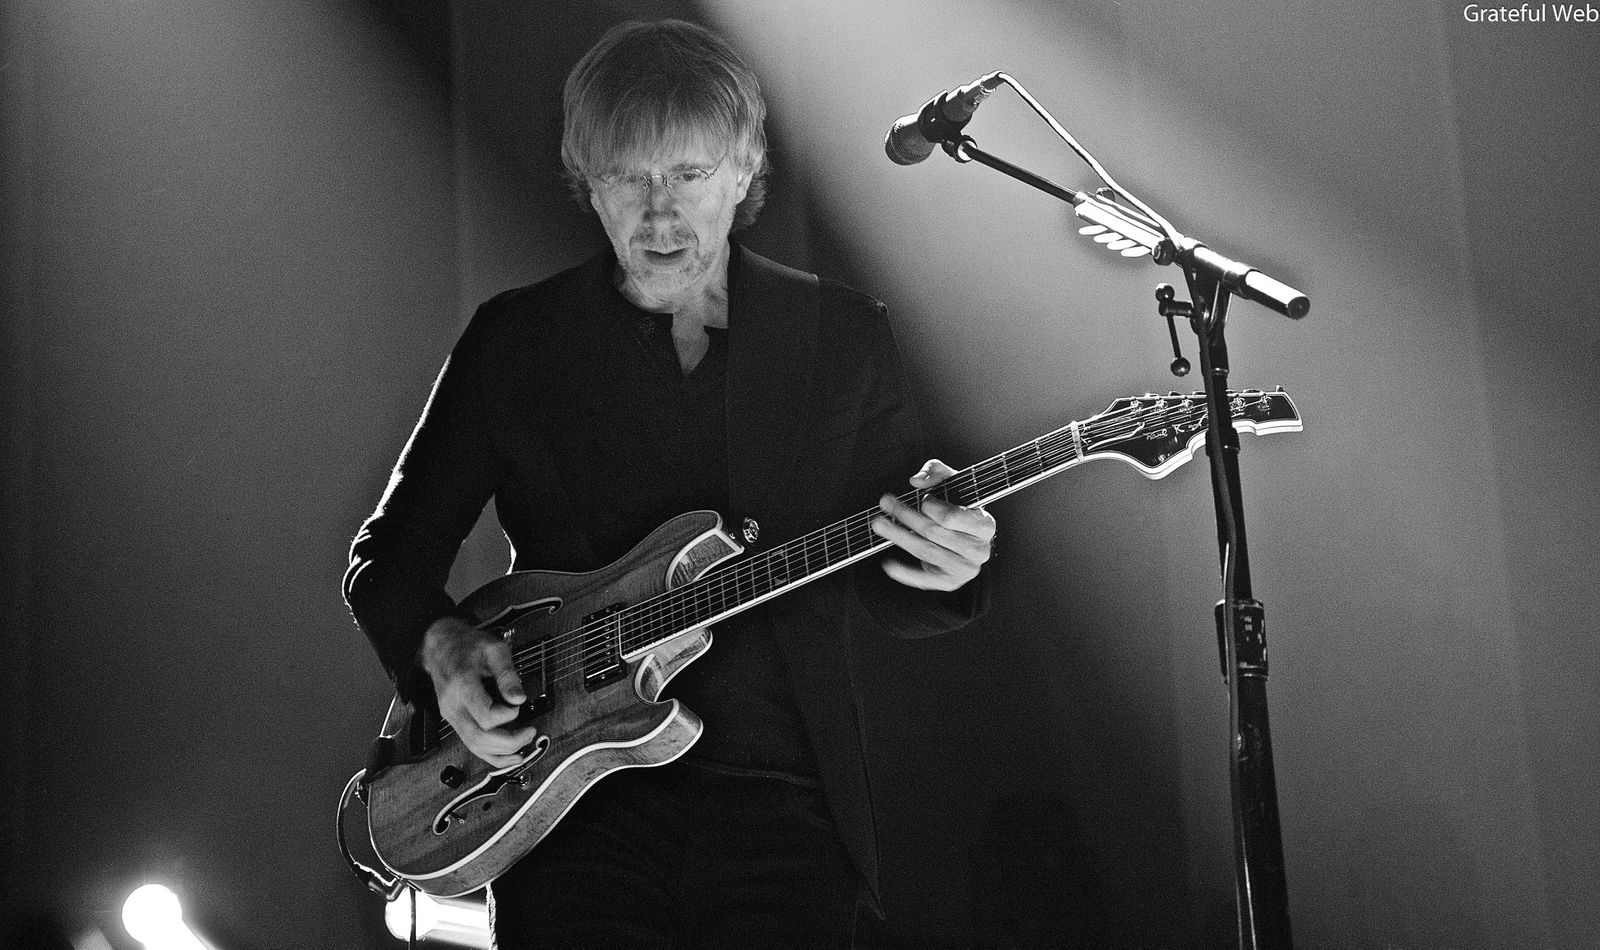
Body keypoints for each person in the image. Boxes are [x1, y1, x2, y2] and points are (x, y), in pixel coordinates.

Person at [344, 18, 995, 948]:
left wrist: (948, 561)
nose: (659, 213)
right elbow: (389, 559)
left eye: (688, 174)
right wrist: (442, 649)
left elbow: (894, 580)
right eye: (629, 178)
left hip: (788, 811)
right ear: (588, 182)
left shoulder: (840, 338)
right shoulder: (517, 343)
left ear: (744, 170)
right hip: (569, 816)